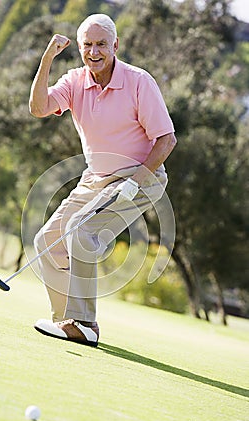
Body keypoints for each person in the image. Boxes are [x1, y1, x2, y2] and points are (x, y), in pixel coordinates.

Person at [29, 14, 176, 347]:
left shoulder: (139, 82)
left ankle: (85, 323)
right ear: (79, 47)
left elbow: (166, 140)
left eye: (101, 45)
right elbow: (39, 108)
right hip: (94, 179)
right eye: (87, 45)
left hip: (142, 176)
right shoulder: (75, 80)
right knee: (46, 243)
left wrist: (136, 180)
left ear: (115, 46)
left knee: (81, 230)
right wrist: (46, 60)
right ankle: (65, 321)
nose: (94, 52)